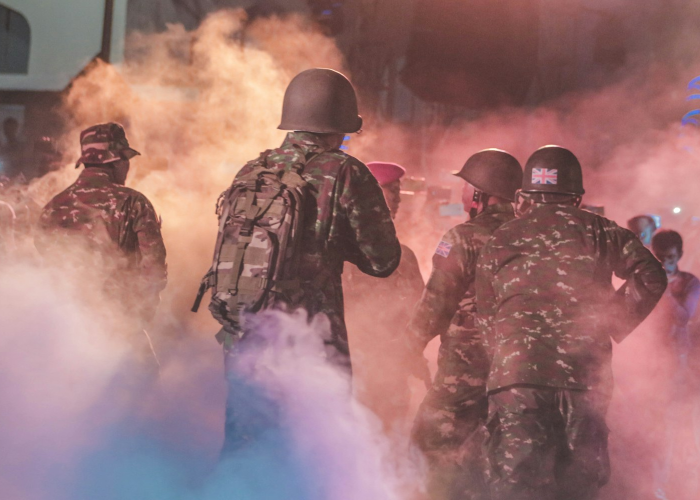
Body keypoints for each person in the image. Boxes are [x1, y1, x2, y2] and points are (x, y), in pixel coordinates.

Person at [207, 68, 401, 453]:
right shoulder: (344, 171)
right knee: (312, 451)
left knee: (246, 445)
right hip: (309, 339)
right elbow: (384, 261)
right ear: (339, 124)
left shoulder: (252, 170)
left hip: (243, 332)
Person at [475, 145, 667, 500]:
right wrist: (610, 321)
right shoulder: (602, 231)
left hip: (517, 379)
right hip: (584, 378)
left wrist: (506, 357)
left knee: (516, 486)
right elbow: (651, 275)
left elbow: (487, 313)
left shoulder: (501, 238)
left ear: (524, 197)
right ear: (577, 197)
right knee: (578, 485)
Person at [406, 149, 523, 500]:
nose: (462, 193)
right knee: (494, 458)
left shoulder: (462, 237)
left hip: (466, 371)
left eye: (466, 186)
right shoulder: (531, 237)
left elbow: (436, 305)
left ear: (479, 194)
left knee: (427, 445)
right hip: (520, 370)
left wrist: (407, 347)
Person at [35, 122, 167, 365]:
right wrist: (140, 315)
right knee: (140, 382)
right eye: (126, 159)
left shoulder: (53, 207)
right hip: (119, 326)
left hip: (63, 332)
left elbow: (44, 269)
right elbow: (153, 266)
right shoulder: (132, 202)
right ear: (116, 161)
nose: (127, 166)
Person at [343, 161, 424, 433]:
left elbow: (419, 308)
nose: (398, 200)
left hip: (392, 371)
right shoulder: (341, 252)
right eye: (392, 191)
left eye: (398, 192)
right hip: (354, 369)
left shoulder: (405, 255)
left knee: (391, 436)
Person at [649, 229, 700, 498]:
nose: (664, 263)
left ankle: (676, 484)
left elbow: (682, 317)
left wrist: (664, 289)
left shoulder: (690, 283)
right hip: (648, 366)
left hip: (678, 367)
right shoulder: (647, 279)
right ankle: (654, 483)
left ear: (679, 255)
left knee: (675, 427)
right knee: (650, 427)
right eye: (659, 258)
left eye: (669, 258)